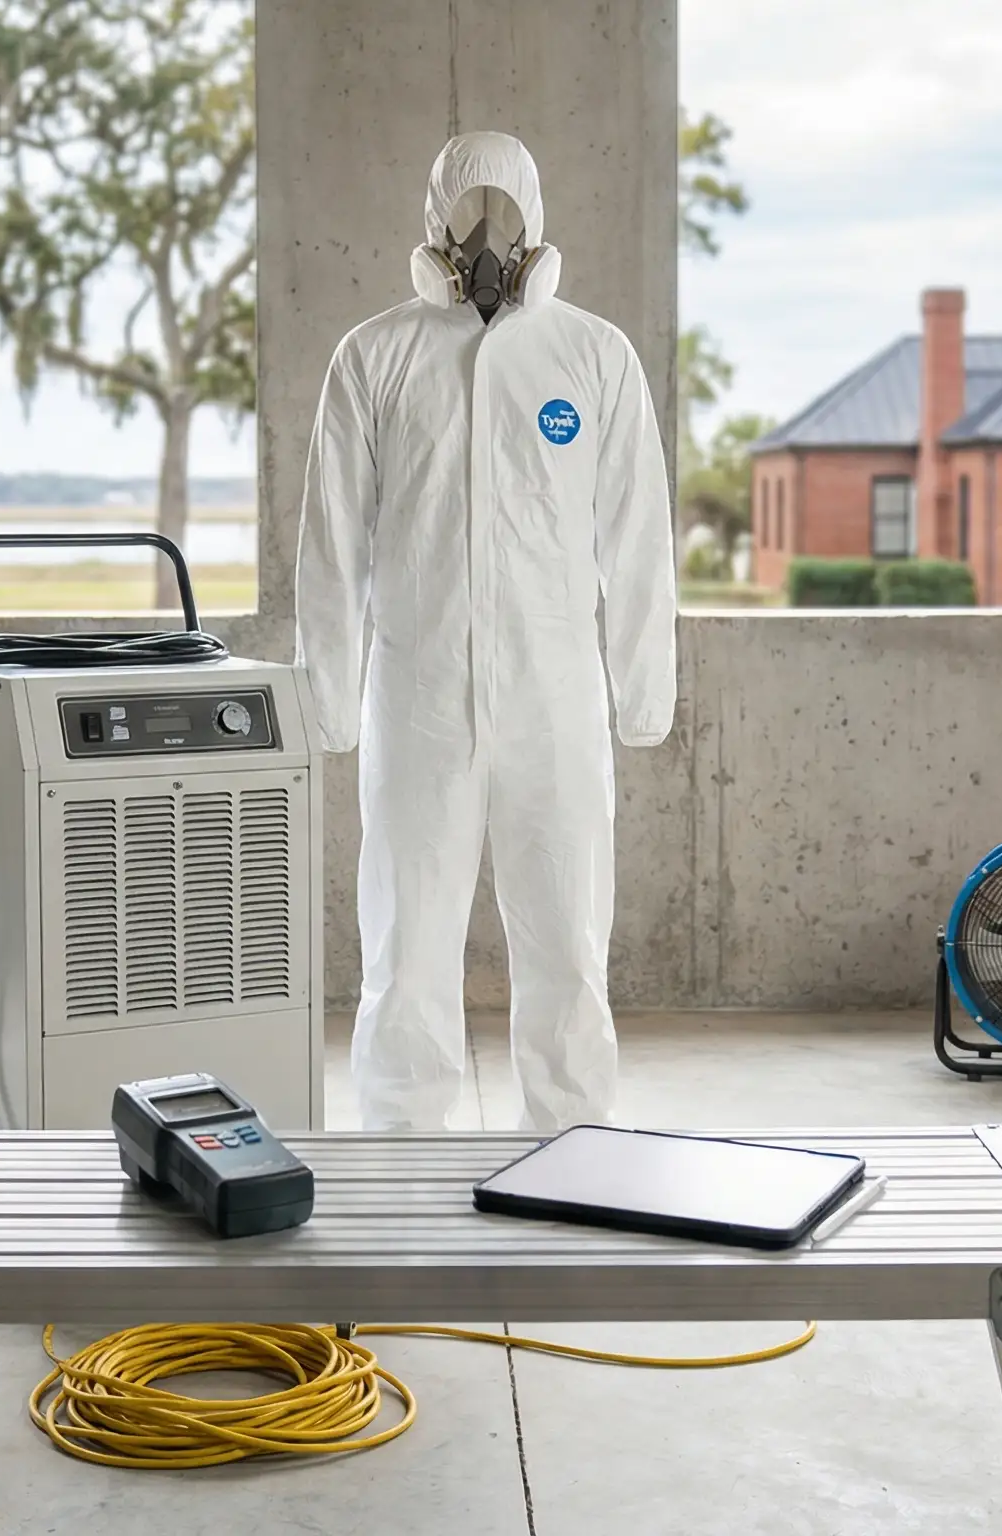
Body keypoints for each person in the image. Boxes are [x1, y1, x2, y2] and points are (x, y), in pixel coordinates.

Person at [296, 131, 677, 1131]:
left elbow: (638, 538)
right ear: (435, 219)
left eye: (504, 209)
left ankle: (571, 1138)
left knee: (568, 945)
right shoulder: (375, 356)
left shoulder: (592, 356)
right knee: (406, 945)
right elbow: (331, 543)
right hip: (417, 699)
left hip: (555, 699)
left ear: (535, 218)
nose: (486, 233)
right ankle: (401, 1146)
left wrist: (642, 693)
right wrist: (327, 699)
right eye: (467, 209)